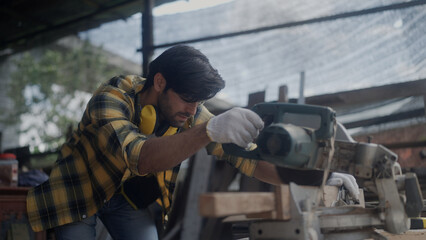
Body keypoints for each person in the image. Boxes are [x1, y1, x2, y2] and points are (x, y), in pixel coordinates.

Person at [26, 45, 358, 240]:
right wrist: (207, 131)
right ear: (159, 82)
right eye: (188, 99)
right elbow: (140, 158)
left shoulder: (191, 112)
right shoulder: (110, 99)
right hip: (78, 192)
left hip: (127, 199)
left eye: (199, 103)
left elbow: (252, 161)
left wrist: (318, 177)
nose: (194, 111)